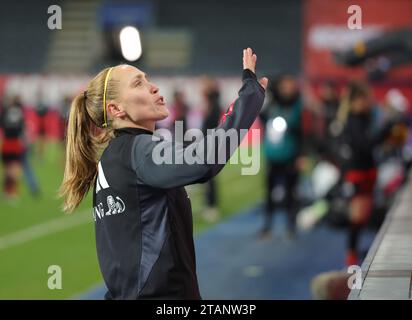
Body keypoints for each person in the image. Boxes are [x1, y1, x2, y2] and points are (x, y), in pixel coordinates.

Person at [59, 48, 268, 299]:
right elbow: (204, 160)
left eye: (148, 79)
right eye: (138, 83)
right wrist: (251, 96)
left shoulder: (117, 154)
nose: (154, 87)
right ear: (115, 109)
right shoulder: (138, 151)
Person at [259, 74, 303, 239]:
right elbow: (262, 117)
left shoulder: (298, 105)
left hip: (291, 155)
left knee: (292, 193)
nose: (288, 88)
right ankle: (267, 225)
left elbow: (303, 132)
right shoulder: (272, 104)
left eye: (291, 84)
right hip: (273, 155)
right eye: (285, 85)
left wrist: (301, 155)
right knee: (269, 192)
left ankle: (291, 226)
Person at [0, 95, 26, 199]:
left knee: (7, 168)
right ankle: (13, 191)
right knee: (15, 168)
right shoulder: (19, 112)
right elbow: (22, 128)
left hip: (6, 142)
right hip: (15, 143)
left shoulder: (5, 111)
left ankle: (6, 190)